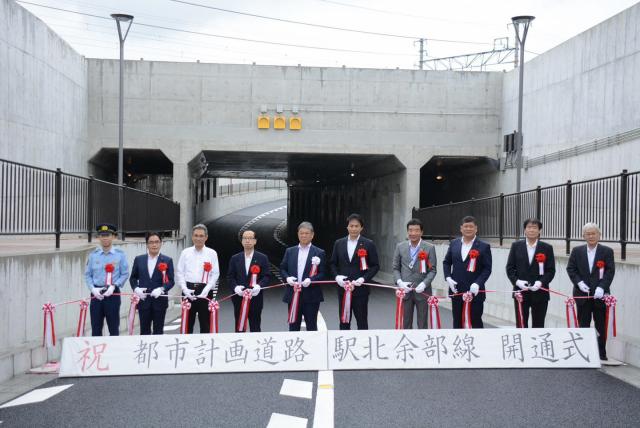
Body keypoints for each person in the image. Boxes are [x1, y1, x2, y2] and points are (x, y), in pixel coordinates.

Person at [566, 222, 616, 362]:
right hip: (582, 295)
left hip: (600, 295)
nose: (591, 236)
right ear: (583, 236)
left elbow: (610, 271)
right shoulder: (577, 251)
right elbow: (571, 269)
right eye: (588, 234)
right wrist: (579, 283)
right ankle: (584, 351)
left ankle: (601, 353)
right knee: (583, 323)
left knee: (601, 324)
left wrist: (602, 287)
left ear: (599, 235)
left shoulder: (607, 251)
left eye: (594, 233)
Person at [330, 213, 380, 330]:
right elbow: (332, 263)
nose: (353, 228)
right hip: (343, 289)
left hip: (361, 290)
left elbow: (375, 266)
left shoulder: (368, 244)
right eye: (351, 226)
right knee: (344, 322)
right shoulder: (339, 243)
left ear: (361, 228)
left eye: (356, 226)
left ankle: (362, 347)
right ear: (347, 227)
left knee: (362, 322)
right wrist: (337, 277)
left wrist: (363, 279)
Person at [442, 216, 492, 328]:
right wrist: (448, 278)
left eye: (471, 226)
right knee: (457, 322)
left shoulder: (484, 247)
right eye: (466, 226)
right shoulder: (454, 243)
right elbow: (446, 262)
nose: (468, 229)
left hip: (475, 292)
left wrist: (478, 283)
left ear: (476, 229)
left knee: (475, 323)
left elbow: (487, 269)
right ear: (461, 228)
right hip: (457, 291)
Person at [506, 218, 556, 328]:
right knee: (521, 325)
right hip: (521, 293)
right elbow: (509, 268)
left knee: (538, 325)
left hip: (540, 294)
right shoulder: (516, 246)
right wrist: (517, 282)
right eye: (529, 227)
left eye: (534, 228)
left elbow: (551, 270)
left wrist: (541, 283)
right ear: (524, 230)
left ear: (539, 231)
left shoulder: (547, 248)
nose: (531, 230)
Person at [83, 223, 129, 336]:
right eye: (102, 235)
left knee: (113, 328)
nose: (104, 238)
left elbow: (125, 274)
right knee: (96, 328)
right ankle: (98, 353)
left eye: (107, 235)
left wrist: (114, 285)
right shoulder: (93, 255)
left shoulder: (120, 255)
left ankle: (113, 352)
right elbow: (88, 275)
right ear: (98, 237)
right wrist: (92, 289)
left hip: (112, 294)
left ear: (113, 236)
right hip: (96, 294)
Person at [280, 221, 325, 331]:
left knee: (311, 326)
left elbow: (323, 273)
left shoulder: (319, 252)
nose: (304, 235)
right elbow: (283, 268)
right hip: (293, 293)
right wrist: (287, 278)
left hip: (311, 295)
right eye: (301, 233)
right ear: (298, 234)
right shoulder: (290, 251)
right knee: (293, 326)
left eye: (306, 233)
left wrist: (311, 279)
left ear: (312, 235)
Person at [392, 218, 437, 329]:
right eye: (410, 230)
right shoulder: (400, 246)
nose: (413, 233)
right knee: (405, 323)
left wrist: (424, 284)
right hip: (405, 291)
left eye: (416, 230)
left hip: (422, 291)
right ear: (407, 231)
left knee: (422, 323)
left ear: (421, 232)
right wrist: (399, 282)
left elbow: (432, 270)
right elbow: (395, 268)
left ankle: (422, 345)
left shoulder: (429, 248)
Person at [175, 224, 220, 333]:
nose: (198, 238)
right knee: (187, 324)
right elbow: (179, 272)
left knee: (205, 324)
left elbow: (215, 273)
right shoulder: (185, 253)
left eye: (201, 236)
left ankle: (203, 348)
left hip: (205, 290)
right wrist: (184, 289)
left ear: (206, 237)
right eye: (196, 235)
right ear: (192, 237)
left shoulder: (212, 253)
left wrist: (207, 289)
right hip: (188, 289)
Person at [129, 232, 175, 335]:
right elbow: (132, 278)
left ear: (161, 243)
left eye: (157, 242)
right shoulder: (139, 259)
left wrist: (162, 289)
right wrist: (136, 289)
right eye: (151, 242)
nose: (154, 245)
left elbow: (171, 281)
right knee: (144, 331)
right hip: (144, 301)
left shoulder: (167, 260)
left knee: (158, 331)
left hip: (160, 301)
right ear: (147, 244)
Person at [227, 229, 271, 332]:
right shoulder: (235, 258)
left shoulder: (262, 258)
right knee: (239, 327)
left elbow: (267, 276)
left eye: (250, 238)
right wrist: (235, 287)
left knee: (255, 327)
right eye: (245, 238)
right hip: (239, 298)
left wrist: (259, 286)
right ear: (241, 241)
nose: (247, 241)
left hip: (255, 298)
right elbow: (230, 276)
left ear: (255, 241)